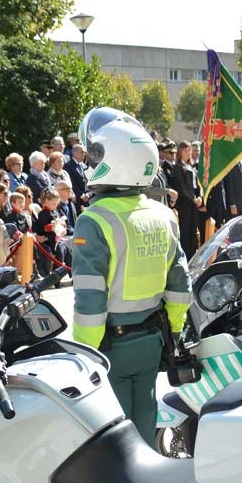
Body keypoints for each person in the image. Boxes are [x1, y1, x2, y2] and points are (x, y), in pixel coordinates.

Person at [71, 107, 190, 441]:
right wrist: (174, 333)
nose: (89, 163)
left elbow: (90, 301)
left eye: (94, 157)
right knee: (146, 420)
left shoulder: (94, 220)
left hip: (112, 346)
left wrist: (85, 356)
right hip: (152, 340)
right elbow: (180, 286)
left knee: (117, 437)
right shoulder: (163, 215)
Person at [170, 141, 203, 259]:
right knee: (185, 231)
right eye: (186, 150)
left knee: (193, 231)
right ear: (180, 152)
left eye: (189, 150)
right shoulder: (178, 167)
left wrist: (199, 197)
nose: (188, 153)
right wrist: (193, 199)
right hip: (184, 203)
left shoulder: (192, 166)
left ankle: (192, 257)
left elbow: (197, 185)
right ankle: (186, 258)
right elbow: (181, 187)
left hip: (193, 203)